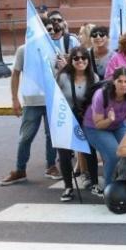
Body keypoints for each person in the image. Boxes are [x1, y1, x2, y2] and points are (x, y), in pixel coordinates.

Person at [0, 41, 59, 185]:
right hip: (31, 102)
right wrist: (14, 99)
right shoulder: (23, 50)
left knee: (52, 137)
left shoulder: (53, 48)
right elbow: (15, 74)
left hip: (51, 100)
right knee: (25, 137)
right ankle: (20, 170)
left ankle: (51, 166)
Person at [56, 47, 101, 200]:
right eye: (76, 58)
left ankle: (94, 182)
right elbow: (55, 98)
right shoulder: (63, 77)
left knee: (89, 150)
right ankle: (68, 187)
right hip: (66, 118)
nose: (80, 61)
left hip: (85, 118)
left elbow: (97, 100)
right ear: (71, 60)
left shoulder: (93, 78)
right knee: (64, 153)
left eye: (83, 58)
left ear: (88, 60)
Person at [83, 67, 126, 187]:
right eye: (120, 81)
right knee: (114, 155)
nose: (123, 85)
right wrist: (109, 119)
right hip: (96, 127)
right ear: (113, 81)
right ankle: (109, 188)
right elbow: (98, 124)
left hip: (118, 125)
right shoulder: (101, 95)